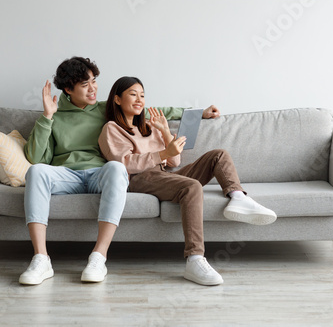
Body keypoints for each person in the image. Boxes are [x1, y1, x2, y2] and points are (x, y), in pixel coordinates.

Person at [19, 57, 220, 285]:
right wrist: (47, 116)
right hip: (67, 175)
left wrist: (197, 113)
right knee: (35, 171)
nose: (93, 88)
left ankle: (98, 257)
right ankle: (41, 259)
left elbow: (151, 110)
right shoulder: (54, 115)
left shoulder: (106, 109)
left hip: (101, 173)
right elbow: (36, 157)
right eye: (84, 85)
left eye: (94, 81)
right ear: (68, 89)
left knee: (116, 166)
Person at [98, 76, 277, 286]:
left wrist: (164, 131)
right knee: (192, 186)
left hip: (163, 174)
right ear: (117, 99)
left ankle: (238, 196)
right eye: (133, 94)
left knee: (218, 155)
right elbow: (125, 163)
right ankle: (195, 259)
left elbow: (174, 160)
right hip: (140, 178)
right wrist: (163, 152)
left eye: (143, 95)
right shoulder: (111, 129)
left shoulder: (149, 125)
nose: (139, 99)